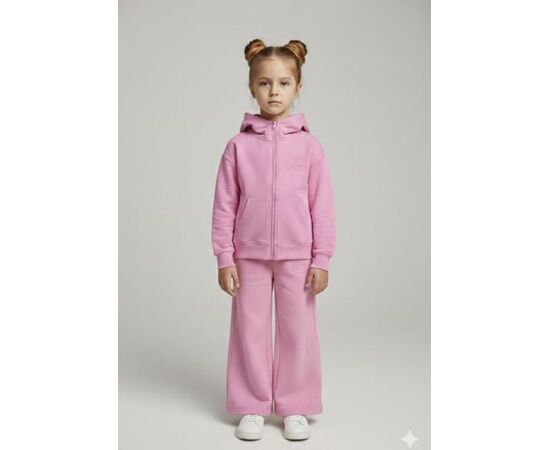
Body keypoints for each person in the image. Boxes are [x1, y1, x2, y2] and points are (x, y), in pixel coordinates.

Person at [210, 38, 336, 441]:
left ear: (298, 87)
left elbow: (322, 206)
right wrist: (224, 257)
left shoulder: (310, 147)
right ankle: (251, 405)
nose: (274, 91)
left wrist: (321, 259)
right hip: (248, 254)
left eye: (283, 83)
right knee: (249, 330)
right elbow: (224, 205)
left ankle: (295, 405)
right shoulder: (238, 147)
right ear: (252, 87)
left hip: (298, 255)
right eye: (264, 83)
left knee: (298, 330)